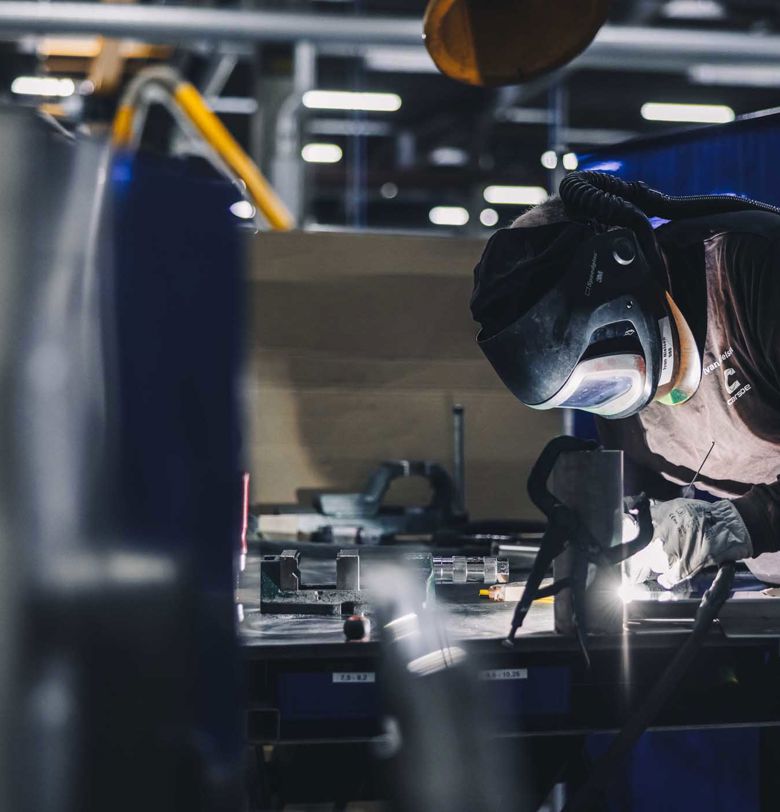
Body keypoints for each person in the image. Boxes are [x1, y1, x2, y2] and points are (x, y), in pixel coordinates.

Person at [470, 171, 780, 587]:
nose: (609, 391)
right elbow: (644, 511)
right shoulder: (620, 394)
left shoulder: (755, 269)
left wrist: (738, 522)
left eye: (604, 362)